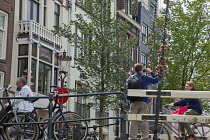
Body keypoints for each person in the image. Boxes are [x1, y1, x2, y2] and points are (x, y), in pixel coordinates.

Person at [127, 63, 158, 140]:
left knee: (133, 120)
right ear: (142, 70)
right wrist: (151, 72)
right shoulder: (145, 77)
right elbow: (157, 80)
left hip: (133, 101)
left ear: (134, 70)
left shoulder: (130, 78)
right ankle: (145, 137)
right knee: (144, 119)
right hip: (143, 101)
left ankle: (132, 138)